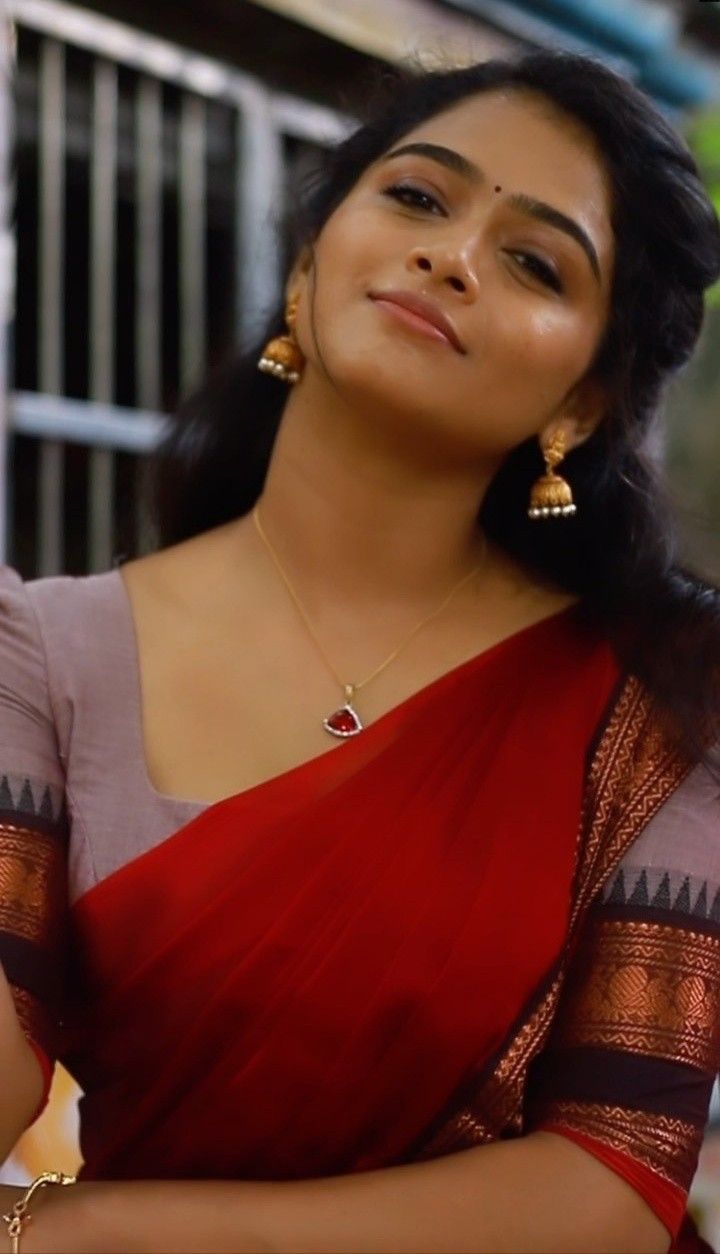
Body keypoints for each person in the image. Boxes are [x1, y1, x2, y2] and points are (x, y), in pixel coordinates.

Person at [0, 45, 719, 1254]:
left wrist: (67, 1233)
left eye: (534, 260)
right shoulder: (44, 652)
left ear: (582, 405)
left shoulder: (661, 701)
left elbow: (609, 1182)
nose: (450, 254)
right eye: (417, 197)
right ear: (304, 272)